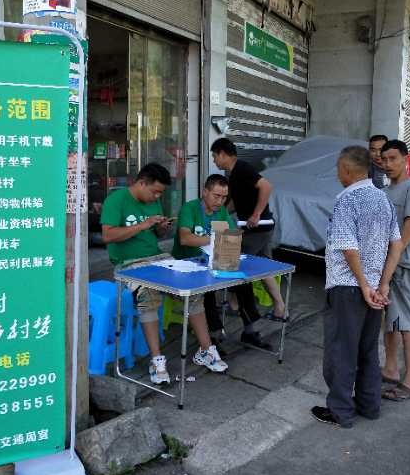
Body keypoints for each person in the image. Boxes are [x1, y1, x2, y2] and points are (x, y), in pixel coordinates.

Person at [100, 163, 227, 385]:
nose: (157, 196)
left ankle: (206, 350)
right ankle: (157, 360)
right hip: (128, 263)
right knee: (148, 295)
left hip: (158, 257)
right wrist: (142, 225)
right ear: (141, 183)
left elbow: (155, 233)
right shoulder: (116, 200)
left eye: (160, 193)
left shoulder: (154, 201)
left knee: (193, 290)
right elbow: (108, 236)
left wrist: (161, 228)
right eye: (155, 191)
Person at [310, 146, 403, 428]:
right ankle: (369, 405)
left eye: (338, 168)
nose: (338, 173)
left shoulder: (346, 200)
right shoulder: (382, 199)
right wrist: (382, 284)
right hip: (375, 289)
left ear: (347, 170)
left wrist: (363, 286)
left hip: (349, 287)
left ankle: (340, 411)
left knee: (342, 351)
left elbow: (349, 249)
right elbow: (396, 245)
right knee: (367, 350)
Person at [171, 174, 264, 348]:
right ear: (204, 192)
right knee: (208, 289)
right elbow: (185, 238)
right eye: (216, 196)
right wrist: (216, 238)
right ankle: (213, 337)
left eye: (224, 197)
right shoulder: (189, 209)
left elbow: (230, 234)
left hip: (213, 261)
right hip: (188, 264)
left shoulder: (221, 212)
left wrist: (233, 236)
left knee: (243, 282)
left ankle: (249, 330)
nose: (220, 201)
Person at [211, 138, 286, 331]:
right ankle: (280, 307)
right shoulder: (233, 174)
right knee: (263, 267)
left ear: (222, 153)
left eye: (214, 156)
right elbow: (238, 200)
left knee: (231, 259)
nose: (214, 161)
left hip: (257, 227)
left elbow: (266, 186)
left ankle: (236, 305)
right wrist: (222, 212)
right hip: (259, 228)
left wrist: (256, 214)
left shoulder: (242, 168)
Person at [380, 139, 410, 401]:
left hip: (403, 266)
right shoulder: (386, 192)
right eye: (384, 159)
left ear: (405, 159)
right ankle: (390, 368)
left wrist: (389, 267)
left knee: (406, 322)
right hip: (386, 267)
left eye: (393, 159)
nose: (387, 164)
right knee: (389, 321)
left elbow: (407, 234)